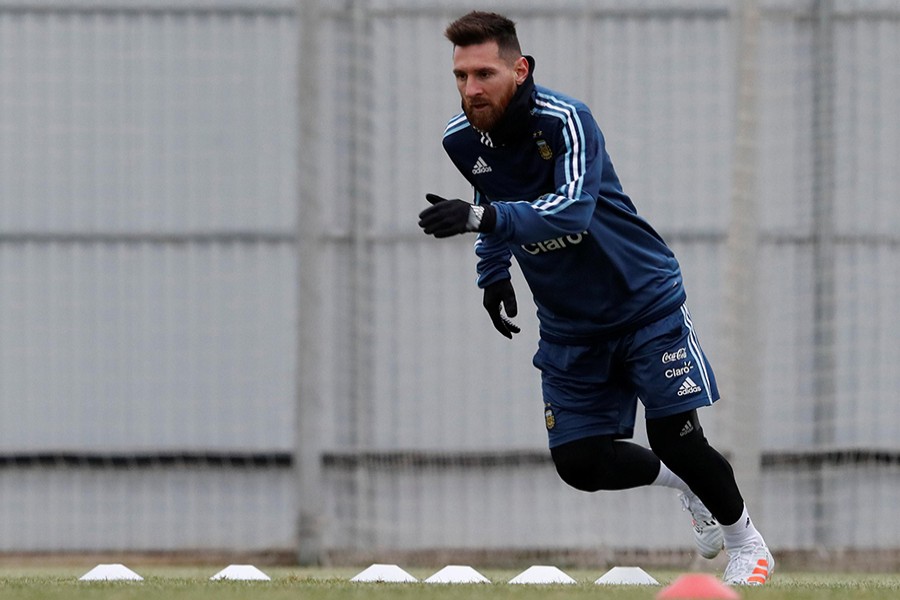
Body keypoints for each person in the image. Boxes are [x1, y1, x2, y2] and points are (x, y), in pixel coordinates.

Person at [417, 11, 774, 585]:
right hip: (568, 321)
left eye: (483, 73)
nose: (470, 89)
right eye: (460, 76)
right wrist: (493, 272)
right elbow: (491, 190)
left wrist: (481, 220)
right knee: (580, 464)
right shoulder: (459, 138)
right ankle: (686, 487)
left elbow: (573, 210)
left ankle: (747, 545)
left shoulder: (567, 119)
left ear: (520, 68)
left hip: (642, 301)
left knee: (675, 436)